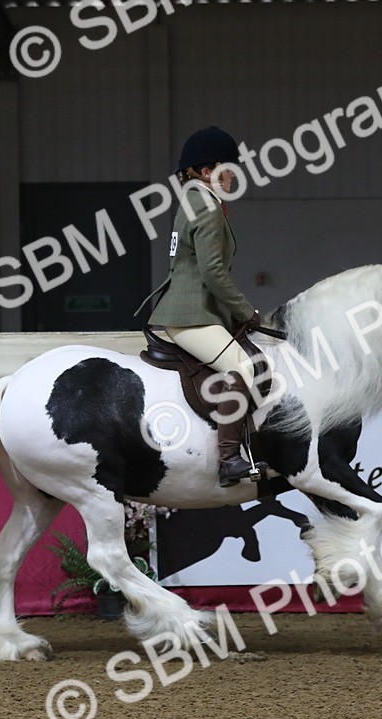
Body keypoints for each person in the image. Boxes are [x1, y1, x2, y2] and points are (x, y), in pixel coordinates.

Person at [140, 126, 267, 487]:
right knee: (242, 367)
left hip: (194, 310)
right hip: (191, 314)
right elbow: (212, 272)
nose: (235, 176)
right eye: (229, 168)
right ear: (206, 171)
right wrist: (246, 311)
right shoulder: (207, 207)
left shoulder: (192, 202)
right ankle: (228, 459)